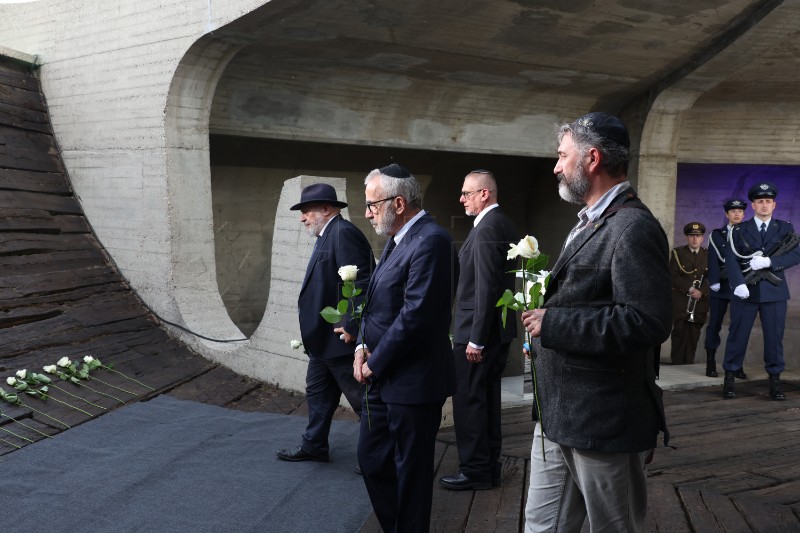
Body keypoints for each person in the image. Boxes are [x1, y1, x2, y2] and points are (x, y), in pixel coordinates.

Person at [521, 112, 672, 532]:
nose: (555, 166)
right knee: (542, 527)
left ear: (591, 159)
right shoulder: (589, 222)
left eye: (561, 155)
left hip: (602, 419)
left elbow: (648, 321)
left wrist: (554, 325)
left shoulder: (632, 228)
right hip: (557, 414)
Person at [353, 163, 458, 533]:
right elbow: (377, 306)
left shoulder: (432, 240)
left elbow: (417, 316)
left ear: (398, 203)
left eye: (371, 204)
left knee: (410, 476)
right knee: (372, 459)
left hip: (413, 380)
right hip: (383, 375)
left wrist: (374, 362)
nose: (367, 213)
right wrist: (361, 347)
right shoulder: (398, 240)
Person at [276, 183, 374, 463]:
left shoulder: (344, 234)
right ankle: (314, 445)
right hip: (322, 341)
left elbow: (362, 282)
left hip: (340, 340)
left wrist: (352, 327)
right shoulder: (327, 234)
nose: (302, 217)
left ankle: (378, 455)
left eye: (306, 211)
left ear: (326, 209)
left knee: (362, 400)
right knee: (318, 394)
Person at [439, 169, 519, 491]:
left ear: (484, 193)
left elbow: (486, 288)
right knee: (486, 401)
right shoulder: (501, 223)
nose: (462, 199)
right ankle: (488, 469)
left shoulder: (487, 228)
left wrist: (475, 339)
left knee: (470, 403)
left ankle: (474, 471)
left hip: (479, 335)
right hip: (493, 332)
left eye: (467, 193)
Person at [722, 182, 800, 401]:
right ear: (753, 205)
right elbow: (731, 258)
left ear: (774, 205)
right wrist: (738, 284)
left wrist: (770, 261)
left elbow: (796, 255)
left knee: (774, 339)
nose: (764, 205)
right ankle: (730, 378)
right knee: (737, 336)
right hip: (745, 291)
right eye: (760, 201)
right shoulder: (739, 229)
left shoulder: (785, 228)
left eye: (768, 201)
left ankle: (774, 383)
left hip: (774, 293)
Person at [704, 199, 747, 378]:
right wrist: (713, 280)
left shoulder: (748, 234)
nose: (736, 214)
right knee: (714, 324)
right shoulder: (717, 235)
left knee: (738, 327)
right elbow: (712, 258)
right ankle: (711, 362)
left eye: (739, 211)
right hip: (720, 286)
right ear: (727, 214)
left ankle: (735, 365)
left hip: (740, 287)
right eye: (733, 211)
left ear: (744, 214)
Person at [669, 222, 709, 365]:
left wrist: (702, 291)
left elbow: (712, 278)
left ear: (702, 238)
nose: (694, 239)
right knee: (679, 333)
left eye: (698, 236)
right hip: (681, 301)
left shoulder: (707, 254)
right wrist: (691, 289)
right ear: (687, 237)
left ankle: (688, 364)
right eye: (692, 235)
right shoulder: (677, 253)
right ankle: (677, 364)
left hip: (699, 302)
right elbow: (673, 276)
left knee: (694, 334)